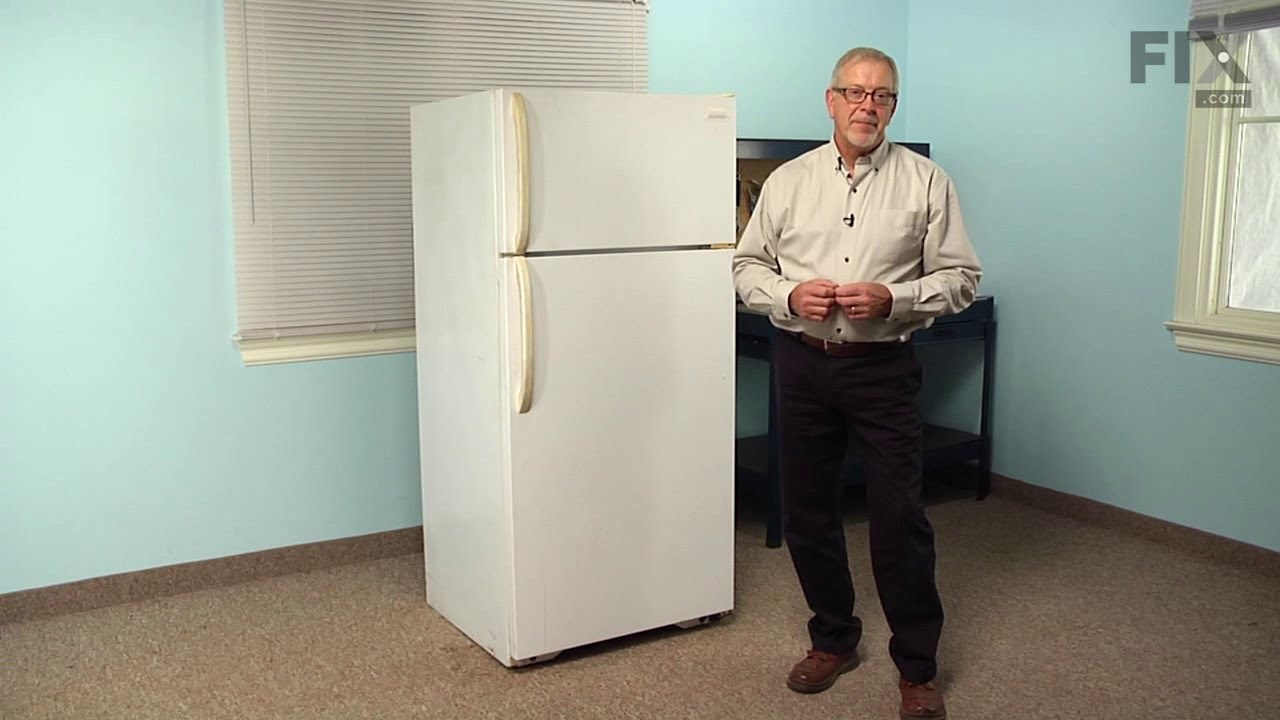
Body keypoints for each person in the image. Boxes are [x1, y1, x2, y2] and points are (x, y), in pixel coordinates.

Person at [732, 47, 981, 719]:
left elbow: (962, 278)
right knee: (807, 511)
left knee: (900, 519)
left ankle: (917, 666)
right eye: (856, 92)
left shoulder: (929, 182)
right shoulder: (786, 181)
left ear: (893, 106)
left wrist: (895, 300)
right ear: (831, 99)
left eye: (883, 96)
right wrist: (788, 297)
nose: (868, 106)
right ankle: (833, 638)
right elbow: (745, 265)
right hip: (803, 364)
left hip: (883, 368)